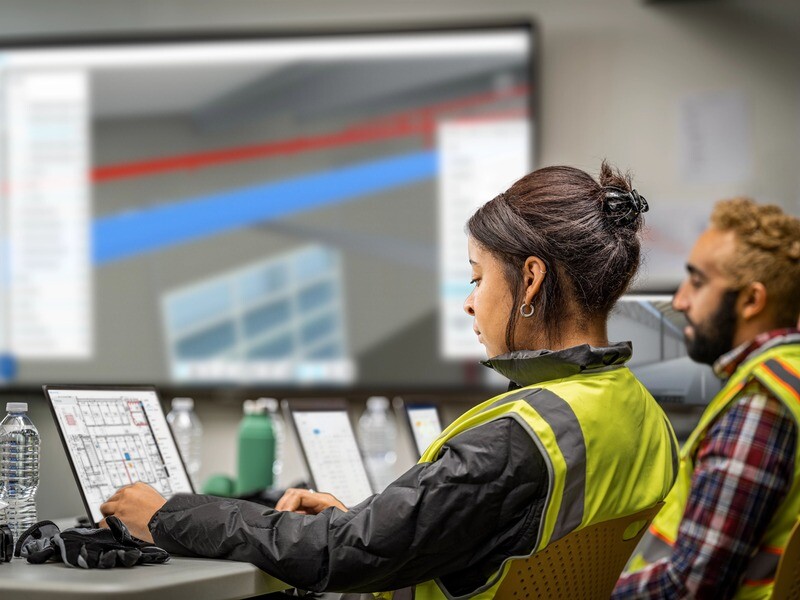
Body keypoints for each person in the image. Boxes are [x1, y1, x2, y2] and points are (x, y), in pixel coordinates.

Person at [100, 163, 678, 599]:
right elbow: (487, 535)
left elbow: (341, 558)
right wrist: (364, 523)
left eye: (478, 279)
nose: (470, 305)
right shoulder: (639, 413)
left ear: (530, 280)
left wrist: (167, 515)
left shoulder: (517, 439)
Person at [614, 198, 800, 599]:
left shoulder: (761, 405)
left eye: (697, 283)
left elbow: (692, 586)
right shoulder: (790, 373)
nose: (680, 301)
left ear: (752, 301)